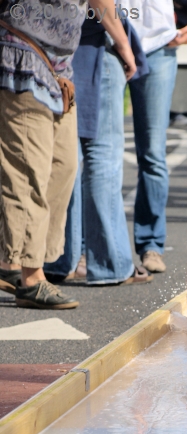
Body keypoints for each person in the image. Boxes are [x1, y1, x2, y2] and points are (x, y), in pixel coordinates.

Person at [0, 0, 136, 309]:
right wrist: (124, 45)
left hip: (58, 68)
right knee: (28, 171)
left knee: (62, 168)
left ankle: (14, 262)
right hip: (21, 55)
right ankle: (31, 276)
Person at [44, 18, 153, 286]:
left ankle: (58, 259)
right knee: (102, 156)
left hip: (55, 50)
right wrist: (125, 45)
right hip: (95, 47)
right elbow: (101, 4)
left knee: (67, 157)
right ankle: (110, 263)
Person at [121, 0, 187, 274]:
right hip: (109, 40)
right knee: (101, 153)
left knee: (153, 153)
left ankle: (151, 244)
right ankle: (94, 248)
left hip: (158, 44)